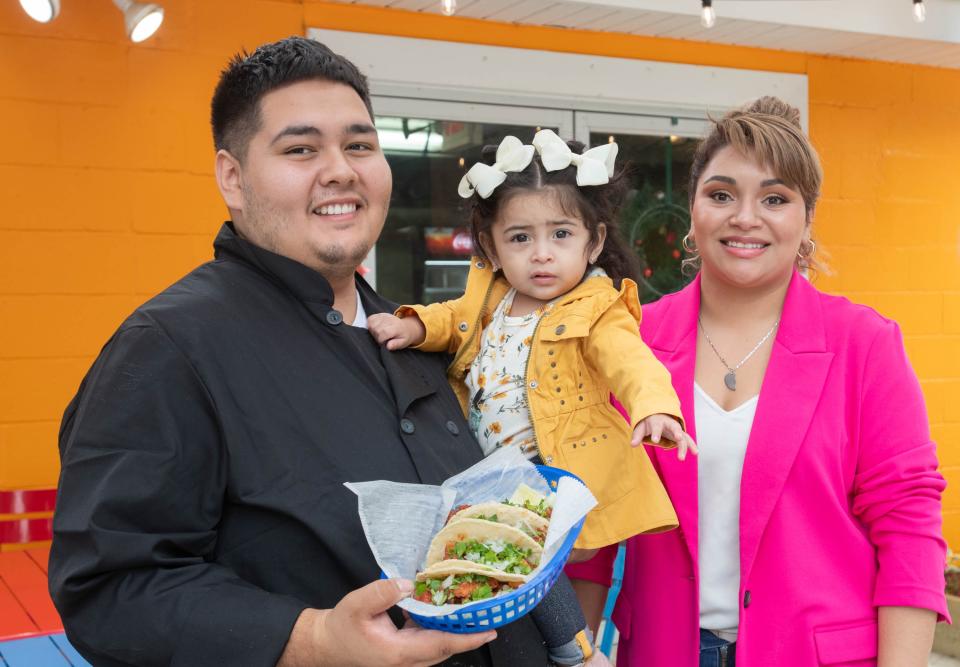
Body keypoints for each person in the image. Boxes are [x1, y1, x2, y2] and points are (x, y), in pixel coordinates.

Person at [49, 36, 558, 667]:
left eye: (359, 145)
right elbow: (110, 589)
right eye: (300, 149)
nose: (340, 169)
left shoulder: (409, 333)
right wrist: (311, 639)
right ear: (232, 178)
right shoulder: (170, 349)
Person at [567, 96, 949, 667]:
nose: (745, 217)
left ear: (806, 216)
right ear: (693, 210)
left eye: (775, 199)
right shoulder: (630, 341)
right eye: (722, 195)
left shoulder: (864, 344)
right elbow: (589, 525)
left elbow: (908, 528)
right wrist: (572, 651)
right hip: (661, 652)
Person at [367, 129, 695, 666]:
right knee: (494, 559)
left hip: (553, 477)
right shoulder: (492, 297)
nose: (541, 254)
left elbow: (631, 361)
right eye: (520, 238)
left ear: (592, 242)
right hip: (486, 472)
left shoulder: (597, 307)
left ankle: (578, 652)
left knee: (537, 570)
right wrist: (415, 326)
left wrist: (654, 406)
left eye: (561, 234)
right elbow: (451, 319)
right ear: (493, 247)